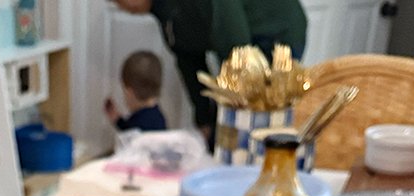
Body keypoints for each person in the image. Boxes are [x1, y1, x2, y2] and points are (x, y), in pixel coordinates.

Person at [108, 0, 308, 142]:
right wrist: (203, 120)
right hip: (239, 38)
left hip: (277, 34)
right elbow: (188, 60)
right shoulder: (164, 11)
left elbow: (235, 44)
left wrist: (239, 93)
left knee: (250, 125)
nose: (119, 6)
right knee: (223, 128)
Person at [104, 49, 168, 133]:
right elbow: (129, 128)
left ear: (130, 93)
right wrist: (118, 120)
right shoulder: (159, 117)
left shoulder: (137, 126)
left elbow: (130, 132)